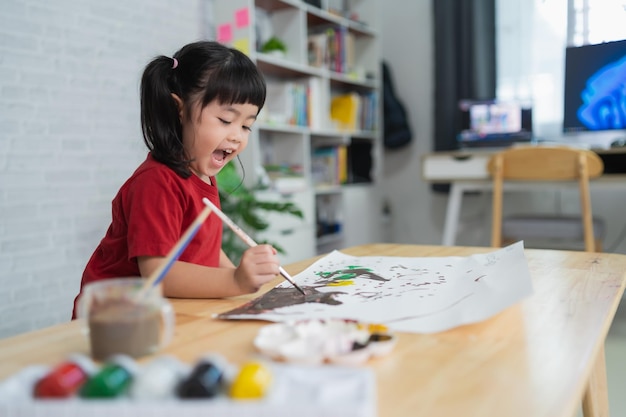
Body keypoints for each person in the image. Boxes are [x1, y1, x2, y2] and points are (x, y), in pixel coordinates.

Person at [72, 41, 278, 317]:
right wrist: (235, 280)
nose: (237, 136)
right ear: (179, 109)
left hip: (167, 312)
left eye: (246, 125)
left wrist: (248, 282)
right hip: (114, 318)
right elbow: (159, 274)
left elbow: (207, 248)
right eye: (226, 120)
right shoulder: (156, 182)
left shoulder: (203, 173)